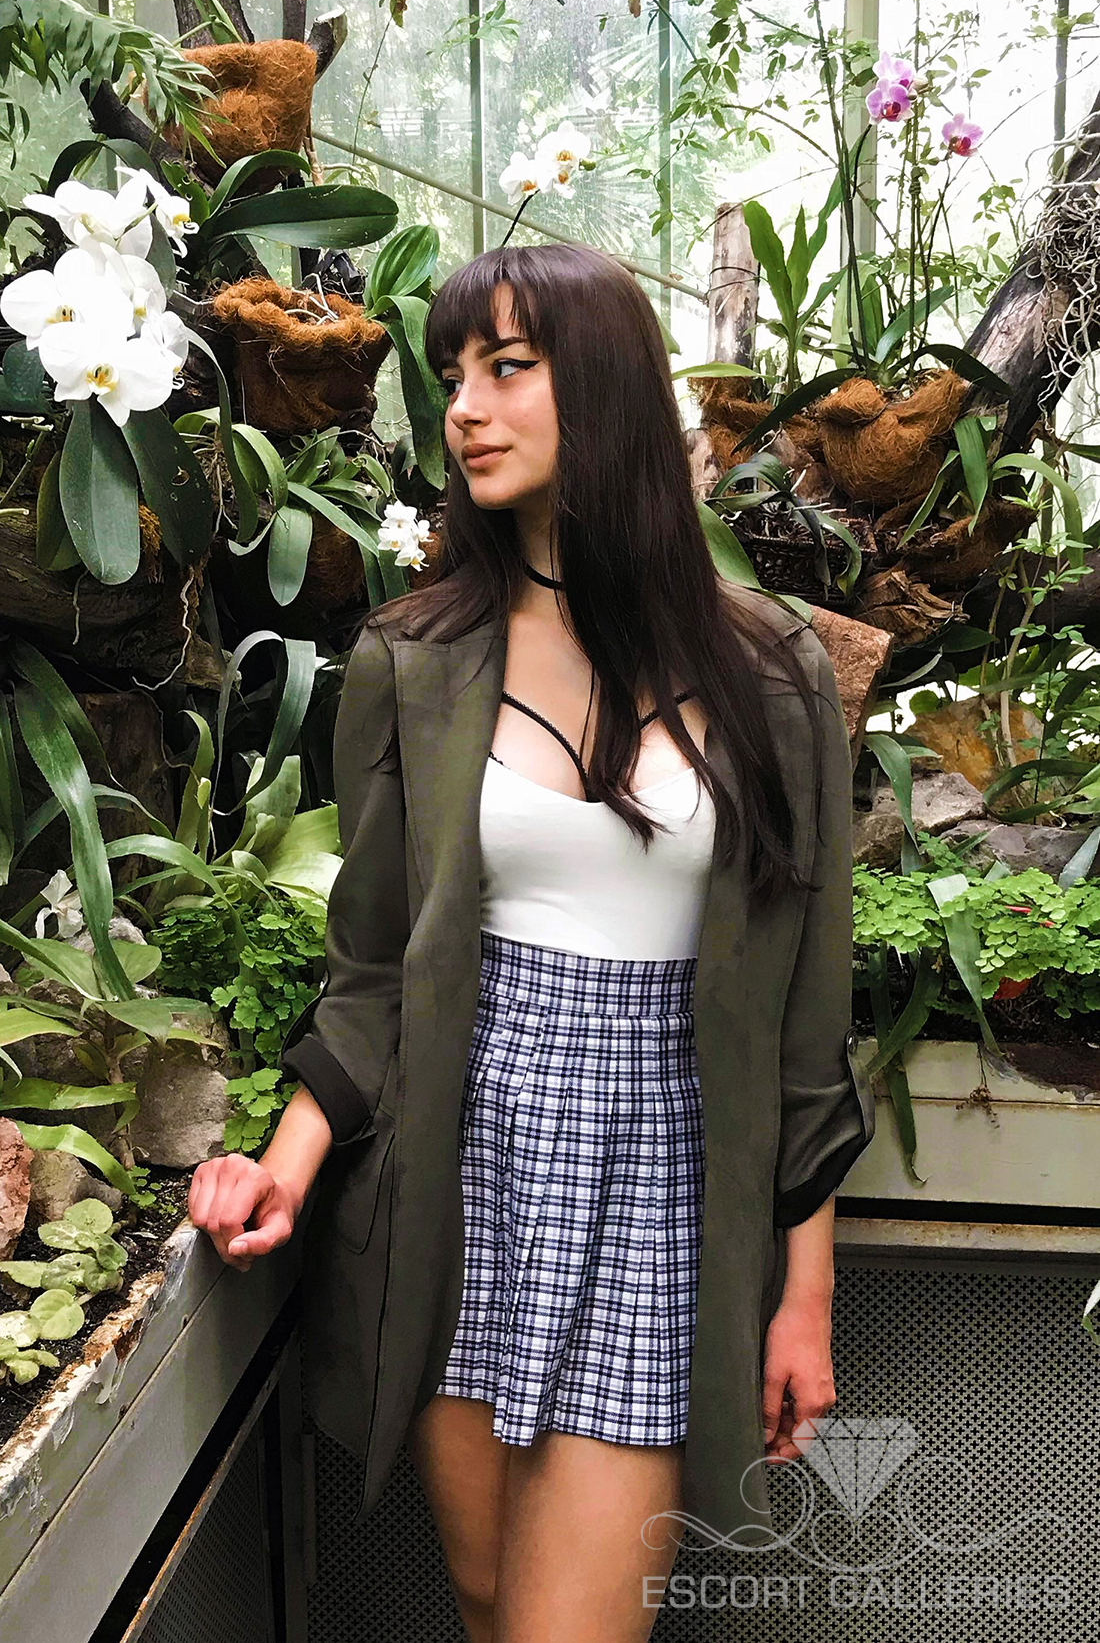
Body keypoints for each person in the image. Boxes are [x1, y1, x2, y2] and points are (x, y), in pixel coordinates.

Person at [189, 241, 873, 1643]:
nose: (465, 407)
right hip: (463, 1167)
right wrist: (281, 1166)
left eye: (508, 368)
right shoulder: (414, 660)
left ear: (606, 387)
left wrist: (802, 1298)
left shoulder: (773, 673)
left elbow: (805, 1022)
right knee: (496, 1605)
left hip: (658, 1182)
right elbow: (375, 974)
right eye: (453, 375)